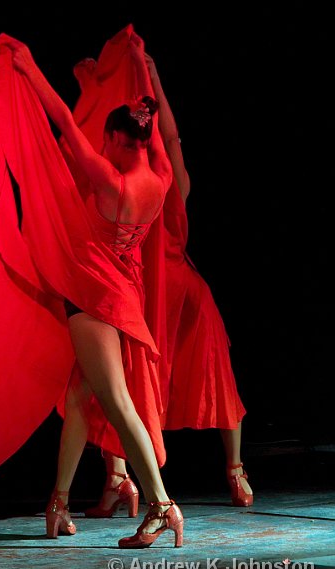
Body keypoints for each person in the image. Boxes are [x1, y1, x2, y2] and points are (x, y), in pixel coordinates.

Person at [0, 35, 184, 549]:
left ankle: (162, 505)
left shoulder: (110, 181)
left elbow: (60, 118)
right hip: (121, 292)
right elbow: (159, 127)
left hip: (95, 298)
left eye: (106, 141)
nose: (100, 147)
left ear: (118, 141)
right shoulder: (161, 176)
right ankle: (57, 503)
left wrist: (30, 66)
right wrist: (144, 75)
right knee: (80, 398)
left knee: (118, 404)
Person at [86, 50, 252, 516]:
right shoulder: (168, 180)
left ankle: (118, 482)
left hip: (153, 294)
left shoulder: (127, 185)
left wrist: (97, 91)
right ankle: (237, 473)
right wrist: (153, 79)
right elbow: (172, 136)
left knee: (125, 384)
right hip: (191, 292)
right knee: (217, 378)